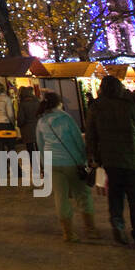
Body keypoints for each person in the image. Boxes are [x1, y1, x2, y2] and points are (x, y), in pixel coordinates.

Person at [86, 76, 135, 250]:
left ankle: (118, 224)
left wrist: (93, 158)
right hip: (134, 161)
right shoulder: (131, 107)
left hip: (110, 161)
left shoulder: (96, 108)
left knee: (115, 195)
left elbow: (91, 136)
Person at [35, 92, 98, 241]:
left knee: (60, 197)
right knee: (82, 195)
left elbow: (41, 145)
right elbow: (77, 140)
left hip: (52, 163)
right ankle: (90, 229)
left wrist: (44, 165)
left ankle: (68, 233)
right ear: (59, 103)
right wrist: (84, 158)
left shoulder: (42, 121)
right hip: (71, 162)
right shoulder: (65, 119)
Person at [17, 86, 41, 157]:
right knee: (39, 146)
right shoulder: (37, 101)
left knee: (30, 149)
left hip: (27, 129)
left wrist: (19, 125)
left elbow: (21, 118)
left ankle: (35, 166)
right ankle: (43, 165)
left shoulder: (22, 104)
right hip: (37, 127)